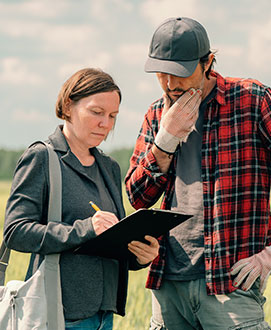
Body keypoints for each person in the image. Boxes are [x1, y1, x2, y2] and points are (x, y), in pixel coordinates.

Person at [125, 17, 271, 330]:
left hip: (231, 284)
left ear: (208, 62)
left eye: (179, 72)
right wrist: (164, 142)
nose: (169, 83)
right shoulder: (156, 113)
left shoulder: (252, 100)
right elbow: (138, 197)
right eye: (161, 73)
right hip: (168, 284)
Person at [3, 68, 159, 330]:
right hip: (56, 315)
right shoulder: (42, 158)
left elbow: (107, 241)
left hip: (103, 316)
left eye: (112, 116)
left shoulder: (108, 167)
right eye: (97, 112)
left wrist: (139, 256)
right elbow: (16, 231)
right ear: (68, 106)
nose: (106, 124)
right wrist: (85, 228)